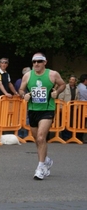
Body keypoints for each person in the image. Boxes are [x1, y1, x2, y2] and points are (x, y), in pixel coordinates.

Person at [18, 52, 65, 180]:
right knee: (37, 140)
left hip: (47, 110)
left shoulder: (52, 74)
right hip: (33, 110)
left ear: (45, 62)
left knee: (40, 137)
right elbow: (21, 90)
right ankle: (46, 160)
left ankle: (40, 167)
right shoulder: (28, 75)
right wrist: (24, 95)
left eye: (39, 61)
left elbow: (62, 84)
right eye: (34, 62)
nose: (36, 64)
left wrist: (57, 92)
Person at [58, 75, 79, 141]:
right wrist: (61, 107)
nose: (71, 81)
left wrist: (77, 107)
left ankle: (69, 136)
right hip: (65, 107)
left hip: (72, 108)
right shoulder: (65, 87)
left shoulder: (77, 89)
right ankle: (65, 136)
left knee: (71, 122)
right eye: (70, 79)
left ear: (75, 81)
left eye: (73, 80)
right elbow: (60, 98)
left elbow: (77, 98)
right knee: (64, 121)